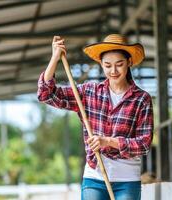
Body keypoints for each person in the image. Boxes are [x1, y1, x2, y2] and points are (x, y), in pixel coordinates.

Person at [37, 34, 154, 200]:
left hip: (127, 180)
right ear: (101, 64)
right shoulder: (89, 92)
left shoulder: (142, 99)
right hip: (94, 178)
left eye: (119, 64)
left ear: (129, 63)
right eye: (107, 65)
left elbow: (144, 144)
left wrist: (108, 141)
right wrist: (55, 57)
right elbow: (45, 94)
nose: (113, 71)